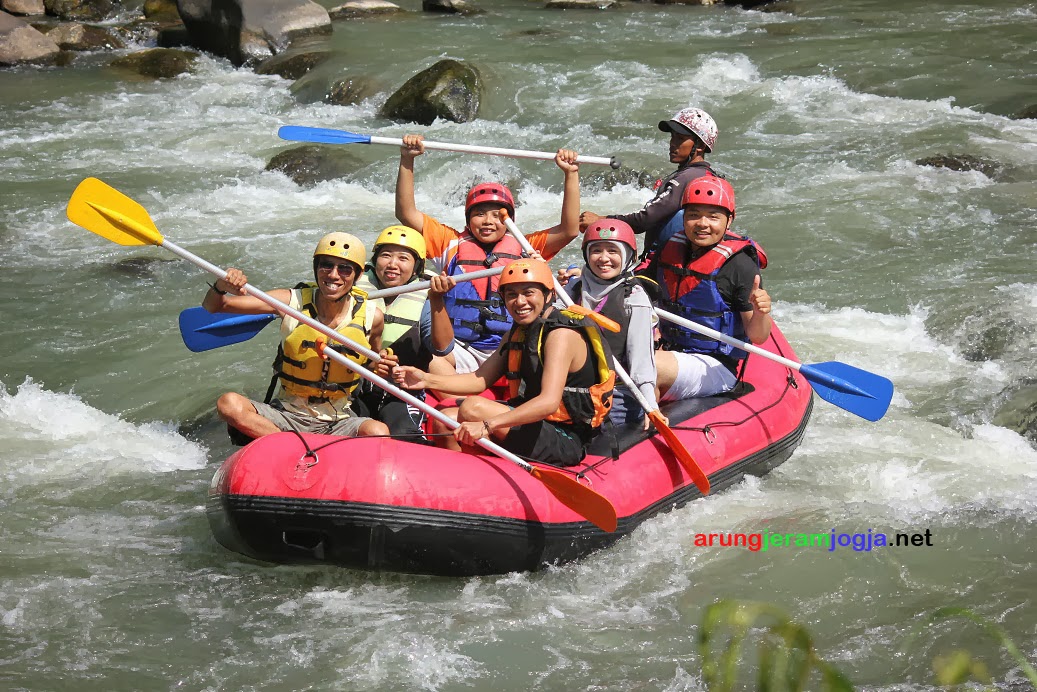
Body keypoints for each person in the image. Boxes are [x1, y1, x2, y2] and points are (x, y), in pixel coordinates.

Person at [393, 259, 615, 467]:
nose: (519, 302)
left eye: (528, 293)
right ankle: (470, 481)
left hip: (567, 436)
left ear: (549, 294)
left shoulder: (561, 335)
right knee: (445, 421)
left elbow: (548, 402)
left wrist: (488, 425)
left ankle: (484, 478)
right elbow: (478, 380)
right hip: (534, 424)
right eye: (511, 295)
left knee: (473, 408)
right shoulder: (517, 332)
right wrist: (425, 379)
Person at [395, 134, 582, 374]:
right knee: (433, 361)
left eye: (497, 215)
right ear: (467, 219)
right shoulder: (449, 243)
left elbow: (569, 230)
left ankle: (477, 399)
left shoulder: (526, 247)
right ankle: (458, 403)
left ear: (510, 220)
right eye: (479, 214)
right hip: (460, 348)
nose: (488, 221)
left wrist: (570, 174)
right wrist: (407, 160)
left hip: (511, 344)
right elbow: (406, 213)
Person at [204, 232, 390, 440]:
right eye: (326, 265)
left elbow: (372, 363)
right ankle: (294, 444)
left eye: (345, 268)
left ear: (357, 275)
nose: (334, 275)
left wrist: (382, 365)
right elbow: (216, 306)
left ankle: (296, 446)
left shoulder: (373, 317)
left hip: (338, 420)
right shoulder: (290, 302)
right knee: (228, 404)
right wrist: (221, 286)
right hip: (286, 415)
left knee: (378, 432)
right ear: (316, 268)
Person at [649, 176, 772, 402]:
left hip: (716, 365)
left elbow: (758, 336)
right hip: (670, 349)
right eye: (693, 215)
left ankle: (642, 427)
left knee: (649, 366)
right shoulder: (671, 248)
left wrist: (761, 312)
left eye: (713, 217)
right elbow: (639, 288)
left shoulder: (739, 265)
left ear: (729, 220)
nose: (702, 224)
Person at [578, 107, 721, 263]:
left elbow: (646, 219)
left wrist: (602, 220)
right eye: (672, 137)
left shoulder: (688, 177)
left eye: (680, 139)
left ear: (699, 145)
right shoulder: (701, 174)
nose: (673, 144)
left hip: (670, 265)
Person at [564, 219, 662, 430]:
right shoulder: (573, 289)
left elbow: (641, 359)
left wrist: (650, 404)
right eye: (596, 250)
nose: (604, 258)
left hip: (618, 390)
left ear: (628, 257)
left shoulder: (633, 297)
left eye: (613, 251)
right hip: (574, 384)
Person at [353, 225, 435, 440]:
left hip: (401, 391)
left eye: (403, 258)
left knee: (404, 435)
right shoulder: (349, 286)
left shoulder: (426, 297)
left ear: (417, 267)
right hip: (354, 385)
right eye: (386, 255)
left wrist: (439, 302)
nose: (392, 264)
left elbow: (442, 347)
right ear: (374, 259)